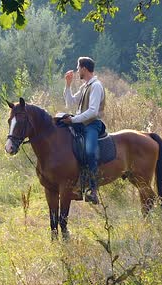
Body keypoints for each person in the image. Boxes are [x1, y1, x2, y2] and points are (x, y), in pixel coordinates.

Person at [62, 57, 106, 204]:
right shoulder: (85, 86)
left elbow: (93, 112)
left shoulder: (96, 86)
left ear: (84, 69)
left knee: (89, 152)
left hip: (92, 125)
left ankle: (93, 190)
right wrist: (68, 85)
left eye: (78, 68)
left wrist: (74, 120)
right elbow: (70, 103)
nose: (76, 70)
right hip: (81, 123)